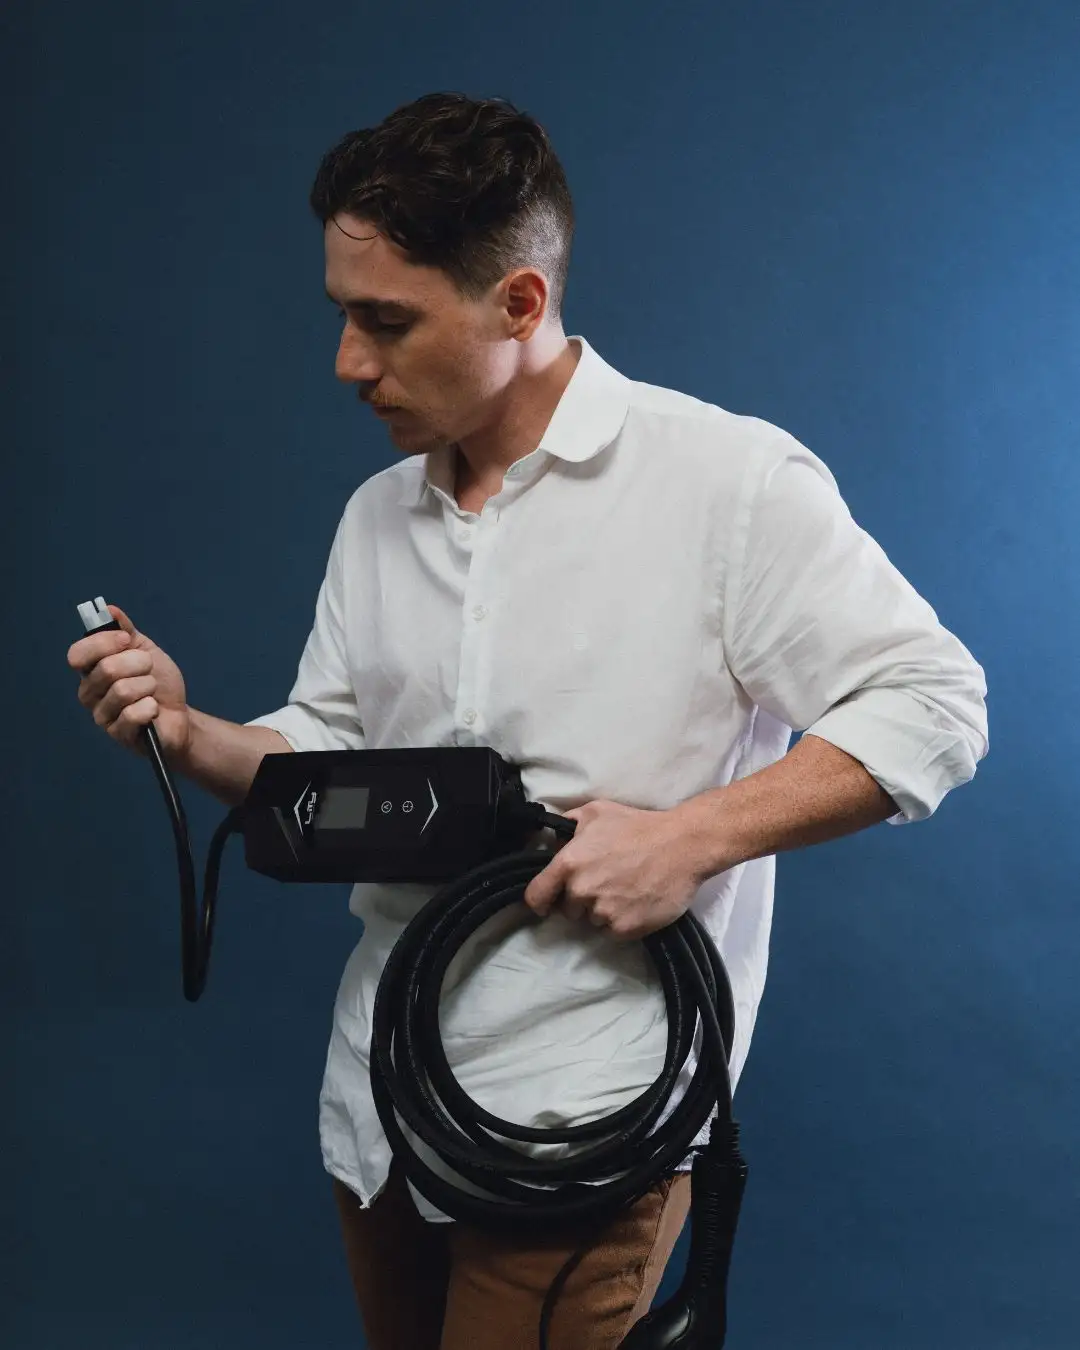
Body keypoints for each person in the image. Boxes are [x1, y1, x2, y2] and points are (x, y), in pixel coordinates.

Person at [66, 91, 989, 1350]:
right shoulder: (378, 515)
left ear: (519, 303)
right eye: (343, 315)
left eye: (388, 322)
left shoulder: (725, 485)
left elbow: (933, 701)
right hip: (383, 1106)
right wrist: (189, 734)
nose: (348, 363)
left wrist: (691, 838)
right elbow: (334, 763)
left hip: (582, 1117)